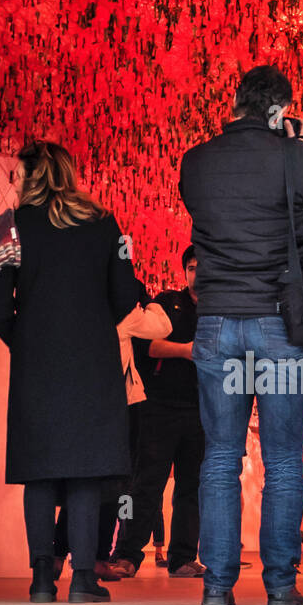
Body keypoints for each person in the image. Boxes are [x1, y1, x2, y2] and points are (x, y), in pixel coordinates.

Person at [179, 65, 303, 605]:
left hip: (217, 321)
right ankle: (280, 588)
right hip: (280, 326)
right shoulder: (293, 156)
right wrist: (298, 148)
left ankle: (218, 588)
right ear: (278, 110)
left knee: (221, 457)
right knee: (284, 460)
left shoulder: (195, 162)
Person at [0, 139, 142, 603]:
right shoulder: (104, 223)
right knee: (86, 471)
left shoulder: (10, 227)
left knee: (41, 471)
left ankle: (40, 577)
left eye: (17, 175)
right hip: (94, 364)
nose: (14, 182)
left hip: (38, 366)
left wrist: (27, 341)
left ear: (33, 177)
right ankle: (84, 577)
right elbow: (126, 296)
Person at [52, 277, 171, 575]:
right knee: (116, 483)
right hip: (123, 405)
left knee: (80, 481)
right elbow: (162, 327)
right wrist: (147, 298)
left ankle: (56, 557)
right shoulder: (125, 312)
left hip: (81, 405)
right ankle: (98, 558)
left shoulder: (73, 306)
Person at [101, 247, 206, 580]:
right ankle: (127, 554)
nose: (197, 274)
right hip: (159, 408)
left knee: (191, 487)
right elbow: (147, 347)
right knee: (145, 485)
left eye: (203, 267)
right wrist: (188, 351)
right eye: (191, 267)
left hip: (203, 409)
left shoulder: (222, 310)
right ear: (184, 271)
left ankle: (183, 559)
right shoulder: (166, 303)